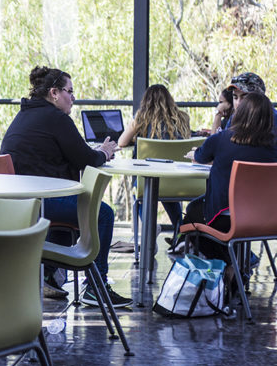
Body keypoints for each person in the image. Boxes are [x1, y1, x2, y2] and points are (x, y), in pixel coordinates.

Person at [0, 65, 132, 307]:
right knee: (103, 214)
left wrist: (96, 153)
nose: (73, 97)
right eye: (69, 91)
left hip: (17, 204)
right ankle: (96, 286)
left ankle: (49, 275)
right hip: (36, 204)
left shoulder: (26, 114)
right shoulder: (56, 118)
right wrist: (104, 152)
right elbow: (87, 160)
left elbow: (68, 154)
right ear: (54, 93)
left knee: (68, 213)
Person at [182, 92, 277, 264]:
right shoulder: (273, 149)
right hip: (267, 219)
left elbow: (200, 157)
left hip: (225, 218)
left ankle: (227, 267)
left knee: (192, 215)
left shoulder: (221, 140)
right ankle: (238, 266)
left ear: (238, 114)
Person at [118, 84, 191, 230]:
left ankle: (149, 226)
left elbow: (121, 142)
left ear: (145, 101)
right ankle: (181, 231)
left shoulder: (141, 118)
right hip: (176, 182)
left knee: (139, 193)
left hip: (147, 181)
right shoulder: (183, 118)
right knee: (166, 189)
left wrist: (139, 139)